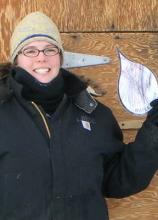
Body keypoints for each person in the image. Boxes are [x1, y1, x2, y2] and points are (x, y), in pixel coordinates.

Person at [0, 11, 158, 220]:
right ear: (16, 60)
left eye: (50, 49)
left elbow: (119, 179)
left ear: (60, 57)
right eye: (30, 50)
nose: (41, 57)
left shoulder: (94, 114)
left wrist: (154, 128)